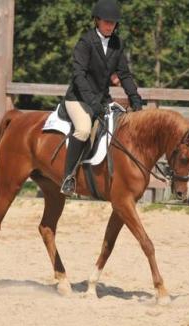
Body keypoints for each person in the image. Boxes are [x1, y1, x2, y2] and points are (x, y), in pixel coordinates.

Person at [60, 0, 143, 196]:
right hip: (78, 99)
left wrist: (134, 97)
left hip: (101, 99)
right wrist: (92, 102)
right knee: (83, 129)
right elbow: (78, 76)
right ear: (97, 21)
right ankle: (68, 177)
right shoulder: (85, 42)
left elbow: (124, 74)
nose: (109, 26)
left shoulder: (117, 44)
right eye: (106, 22)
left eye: (113, 23)